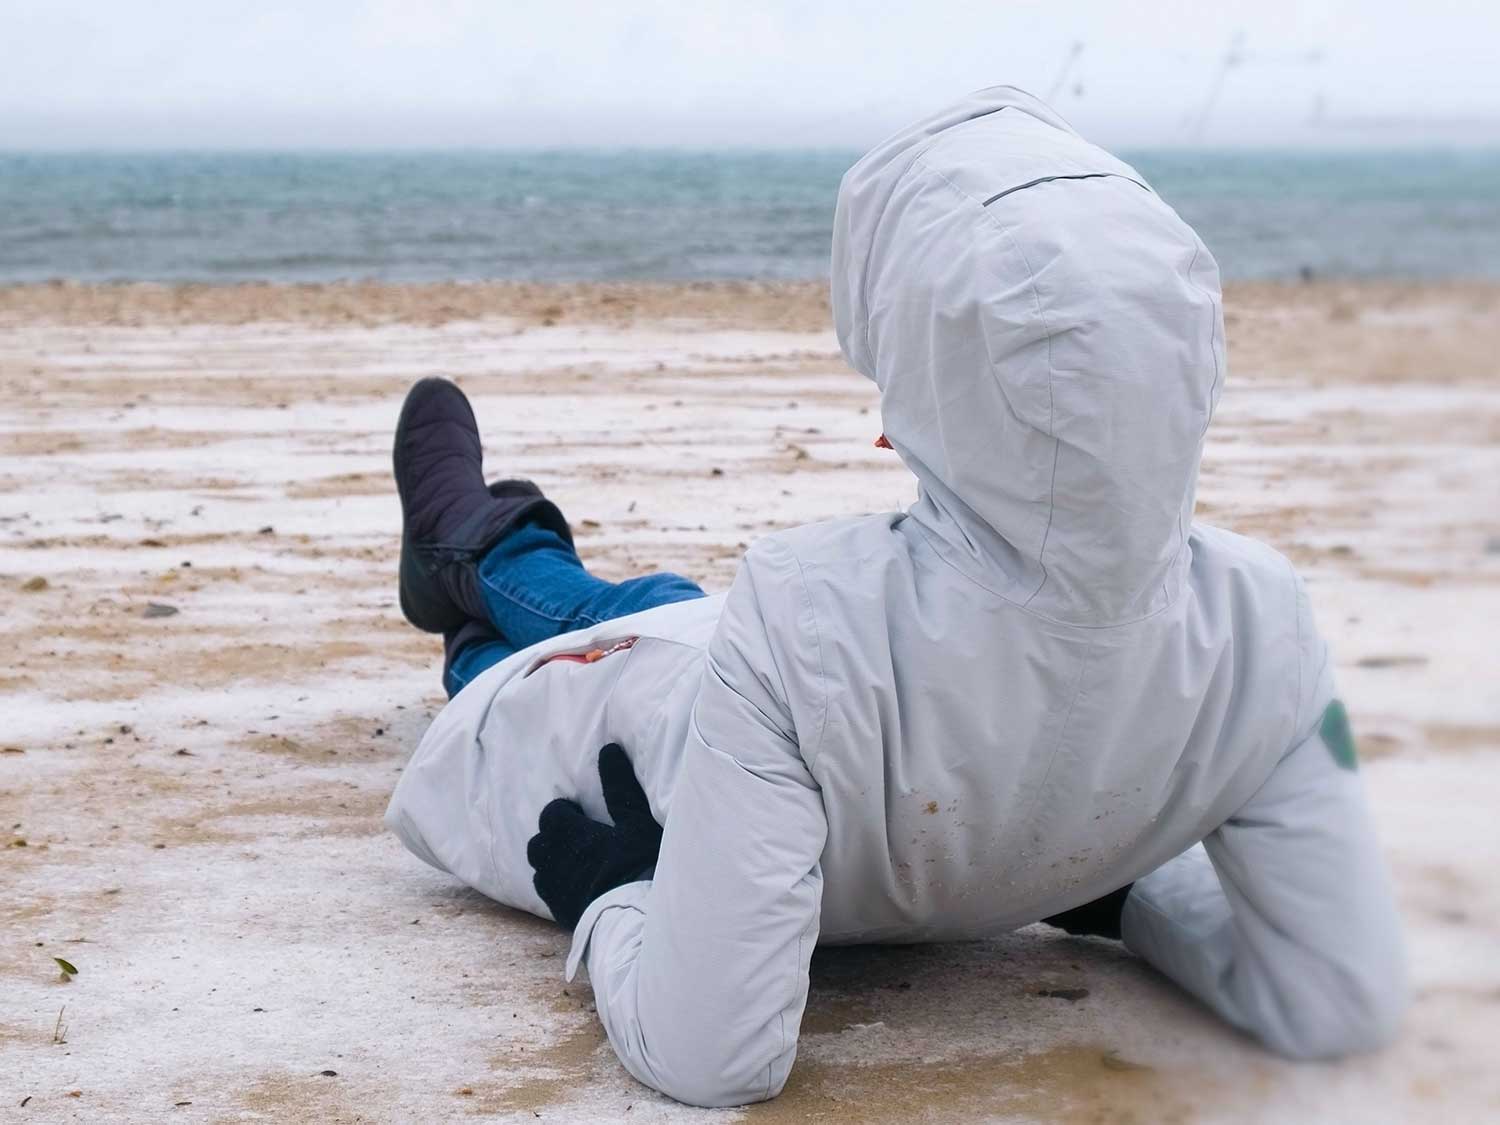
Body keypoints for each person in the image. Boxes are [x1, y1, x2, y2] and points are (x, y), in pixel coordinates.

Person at [384, 87, 1407, 1108]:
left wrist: (611, 896)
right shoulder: (1263, 619)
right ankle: (472, 545)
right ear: (1192, 362)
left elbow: (711, 1060)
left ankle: (472, 548)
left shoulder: (805, 613)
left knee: (521, 662)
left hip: (627, 698)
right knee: (641, 615)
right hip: (671, 683)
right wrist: (1104, 873)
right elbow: (1340, 998)